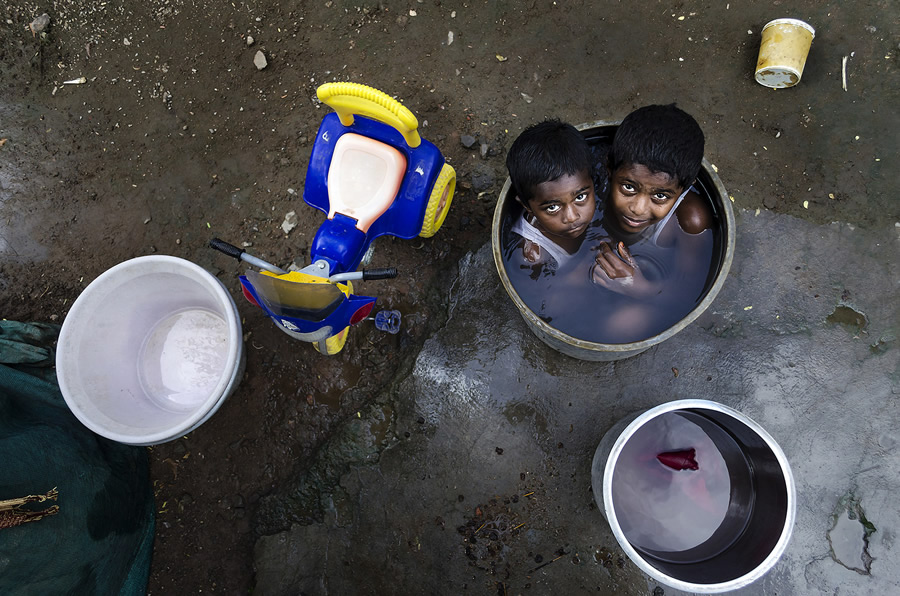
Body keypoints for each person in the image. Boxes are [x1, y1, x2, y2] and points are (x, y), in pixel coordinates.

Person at [591, 104, 712, 298]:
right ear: (609, 170)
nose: (638, 209)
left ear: (685, 187)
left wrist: (642, 290)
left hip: (648, 289)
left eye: (660, 196)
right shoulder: (594, 181)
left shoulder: (689, 220)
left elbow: (688, 288)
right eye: (629, 187)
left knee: (625, 324)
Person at [505, 120, 599, 274]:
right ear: (527, 207)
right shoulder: (533, 257)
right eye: (552, 207)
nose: (572, 217)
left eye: (580, 197)